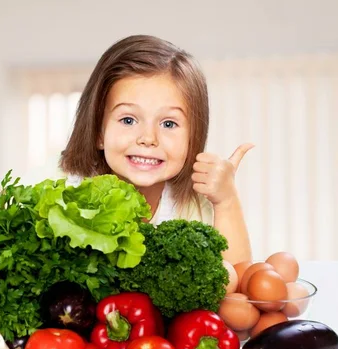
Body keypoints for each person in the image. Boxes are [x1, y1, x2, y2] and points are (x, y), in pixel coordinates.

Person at [59, 35, 253, 265]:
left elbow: (237, 279)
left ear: (193, 137)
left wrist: (227, 201)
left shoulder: (193, 204)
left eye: (168, 124)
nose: (148, 138)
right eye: (129, 120)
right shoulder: (66, 194)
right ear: (99, 132)